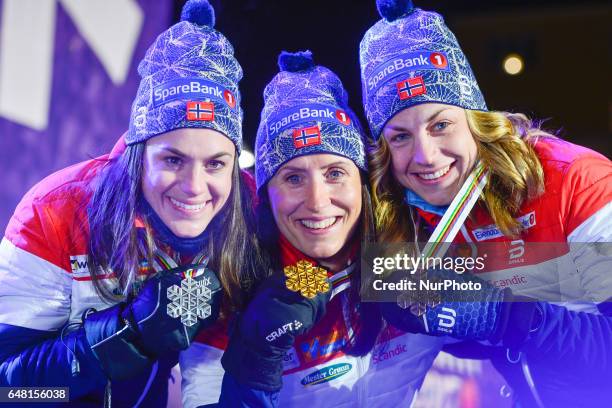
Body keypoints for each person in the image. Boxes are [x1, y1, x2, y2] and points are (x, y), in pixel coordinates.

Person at [0, 0, 262, 405]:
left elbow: (322, 271)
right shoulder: (57, 210)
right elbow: (10, 390)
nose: (195, 186)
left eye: (215, 164)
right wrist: (124, 336)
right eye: (173, 160)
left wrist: (301, 291)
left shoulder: (247, 208)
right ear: (139, 158)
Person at [359, 0, 612, 406]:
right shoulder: (408, 219)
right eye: (400, 136)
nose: (425, 156)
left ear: (476, 121)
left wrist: (506, 318)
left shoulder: (574, 179)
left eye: (441, 125)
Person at [179, 50, 445, 407]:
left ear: (363, 185)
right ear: (266, 196)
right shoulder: (231, 286)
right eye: (293, 178)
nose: (317, 201)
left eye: (335, 174)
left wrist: (503, 315)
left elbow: (540, 296)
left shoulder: (415, 247)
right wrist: (253, 365)